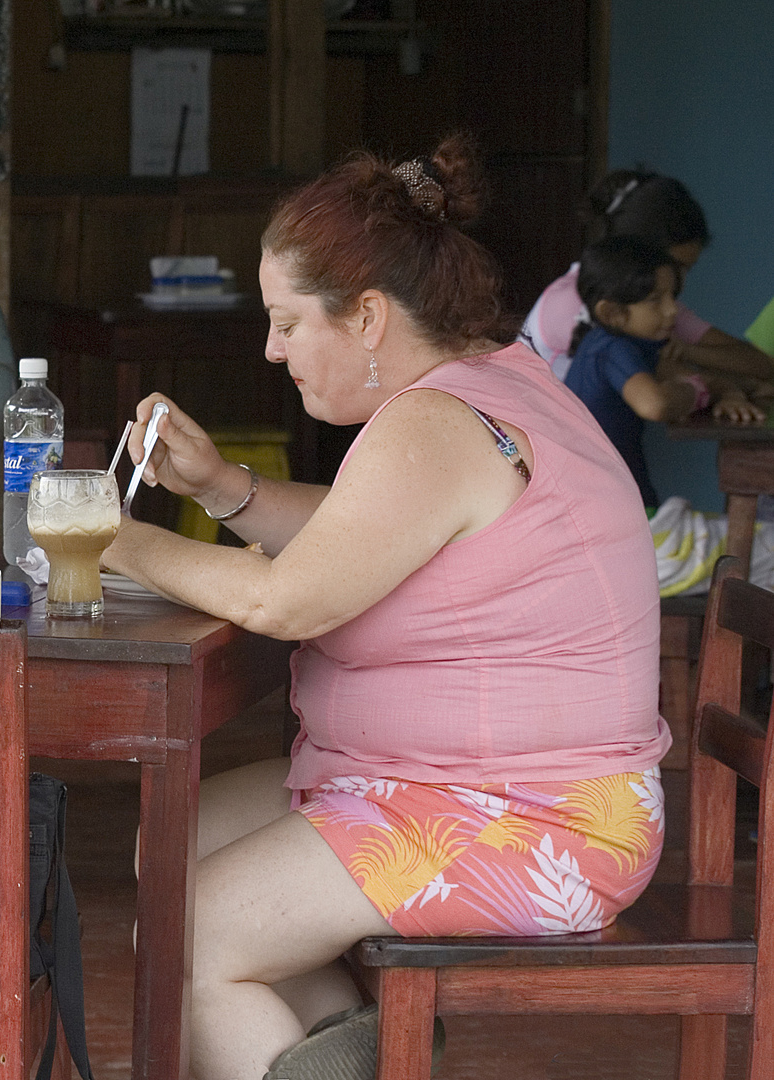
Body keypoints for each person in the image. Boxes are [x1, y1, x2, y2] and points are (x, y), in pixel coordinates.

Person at [103, 137, 671, 1080]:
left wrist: (107, 538)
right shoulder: (489, 381)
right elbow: (357, 533)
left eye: (288, 321)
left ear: (365, 316)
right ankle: (364, 1057)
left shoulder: (436, 425)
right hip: (449, 781)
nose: (272, 348)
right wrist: (220, 485)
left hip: (540, 816)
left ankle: (349, 1058)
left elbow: (285, 601)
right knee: (170, 842)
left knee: (189, 927)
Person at [519, 169, 774, 386]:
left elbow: (760, 364)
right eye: (677, 268)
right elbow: (670, 383)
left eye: (687, 271)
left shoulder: (653, 303)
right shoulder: (574, 305)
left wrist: (688, 350)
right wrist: (738, 388)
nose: (679, 284)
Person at [564, 234, 764, 509]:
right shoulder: (610, 348)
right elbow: (654, 404)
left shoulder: (638, 345)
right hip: (600, 507)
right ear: (612, 313)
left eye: (672, 296)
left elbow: (696, 378)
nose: (672, 310)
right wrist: (702, 389)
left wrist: (731, 394)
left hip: (623, 500)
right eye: (656, 300)